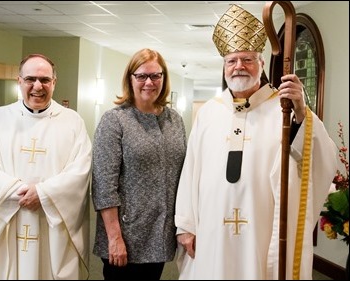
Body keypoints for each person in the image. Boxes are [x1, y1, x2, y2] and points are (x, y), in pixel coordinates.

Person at [175, 4, 338, 280]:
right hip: (212, 229)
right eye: (232, 60)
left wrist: (300, 110)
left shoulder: (283, 110)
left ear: (261, 64)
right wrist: (186, 225)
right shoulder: (209, 113)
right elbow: (191, 170)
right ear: (224, 67)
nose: (239, 66)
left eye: (248, 59)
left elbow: (317, 157)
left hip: (262, 232)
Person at [0, 54, 92, 280]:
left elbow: (80, 170)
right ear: (19, 81)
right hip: (6, 221)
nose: (38, 86)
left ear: (54, 83)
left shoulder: (72, 122)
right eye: (30, 79)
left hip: (51, 223)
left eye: (45, 80)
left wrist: (43, 193)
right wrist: (17, 191)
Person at [91, 48, 187, 280]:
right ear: (130, 78)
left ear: (164, 79)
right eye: (141, 76)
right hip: (126, 236)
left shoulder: (174, 120)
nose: (149, 82)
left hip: (160, 234)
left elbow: (184, 174)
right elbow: (104, 185)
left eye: (155, 76)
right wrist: (114, 238)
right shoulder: (115, 121)